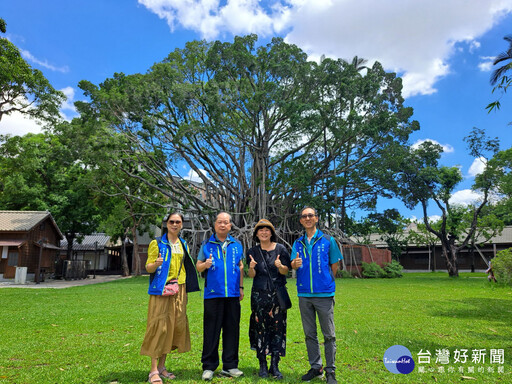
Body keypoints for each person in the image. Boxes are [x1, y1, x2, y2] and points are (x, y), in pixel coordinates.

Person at [140, 212, 200, 384]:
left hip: (179, 289)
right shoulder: (157, 243)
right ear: (166, 224)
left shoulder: (183, 244)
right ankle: (153, 370)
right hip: (161, 290)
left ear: (182, 225)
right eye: (172, 222)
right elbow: (149, 268)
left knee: (172, 327)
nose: (175, 224)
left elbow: (185, 267)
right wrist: (156, 264)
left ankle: (162, 367)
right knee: (158, 326)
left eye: (178, 222)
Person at [291, 207, 343, 384]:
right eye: (304, 216)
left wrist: (326, 281)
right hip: (304, 294)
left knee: (329, 334)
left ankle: (330, 371)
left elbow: (334, 265)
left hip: (324, 294)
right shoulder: (298, 243)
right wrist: (294, 263)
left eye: (310, 216)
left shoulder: (328, 240)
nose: (307, 218)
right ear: (301, 220)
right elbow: (292, 262)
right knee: (309, 334)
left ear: (316, 218)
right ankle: (316, 367)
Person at [196, 212, 245, 381]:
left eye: (226, 222)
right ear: (215, 225)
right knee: (211, 331)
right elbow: (198, 267)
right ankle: (209, 366)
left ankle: (230, 365)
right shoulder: (206, 244)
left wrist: (240, 287)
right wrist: (205, 264)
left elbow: (240, 266)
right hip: (213, 294)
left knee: (232, 330)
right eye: (219, 222)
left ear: (230, 225)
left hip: (232, 294)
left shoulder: (237, 245)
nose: (223, 225)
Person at [247, 219, 291, 379]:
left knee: (277, 329)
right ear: (256, 234)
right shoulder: (252, 251)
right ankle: (262, 364)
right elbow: (252, 275)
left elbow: (286, 271)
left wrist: (280, 266)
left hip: (276, 296)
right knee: (260, 329)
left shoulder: (281, 249)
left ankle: (275, 364)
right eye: (260, 230)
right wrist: (251, 268)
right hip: (259, 295)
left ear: (271, 233)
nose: (264, 233)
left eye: (267, 230)